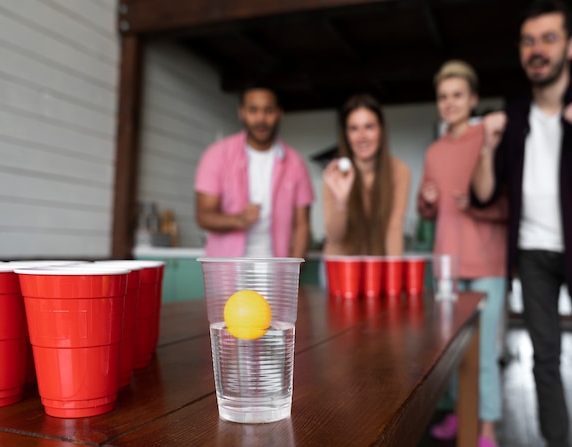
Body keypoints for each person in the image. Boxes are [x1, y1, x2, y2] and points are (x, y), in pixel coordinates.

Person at [471, 1, 572, 446]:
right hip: (531, 255)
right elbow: (483, 193)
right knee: (544, 359)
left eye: (549, 38)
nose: (537, 49)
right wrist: (486, 145)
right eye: (529, 40)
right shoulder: (513, 112)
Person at [418, 60, 507, 447]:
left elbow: (507, 208)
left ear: (473, 98)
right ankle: (458, 414)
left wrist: (474, 205)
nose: (450, 103)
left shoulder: (489, 140)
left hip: (487, 264)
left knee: (484, 351)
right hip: (446, 266)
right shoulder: (434, 151)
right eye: (443, 97)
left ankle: (485, 429)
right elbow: (425, 211)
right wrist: (427, 200)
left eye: (458, 95)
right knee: (450, 352)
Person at [194, 85, 314, 258]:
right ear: (241, 112)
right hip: (228, 271)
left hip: (277, 271)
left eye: (268, 110)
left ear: (280, 113)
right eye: (253, 110)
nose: (261, 118)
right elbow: (204, 216)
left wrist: (294, 276)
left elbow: (302, 227)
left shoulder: (296, 163)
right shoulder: (217, 155)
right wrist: (238, 219)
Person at [323, 93, 410, 256]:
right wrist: (341, 202)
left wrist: (394, 273)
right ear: (346, 135)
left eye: (369, 127)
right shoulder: (334, 173)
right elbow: (334, 237)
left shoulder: (399, 171)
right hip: (340, 268)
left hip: (377, 267)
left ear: (381, 129)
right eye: (354, 128)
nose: (362, 136)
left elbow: (394, 227)